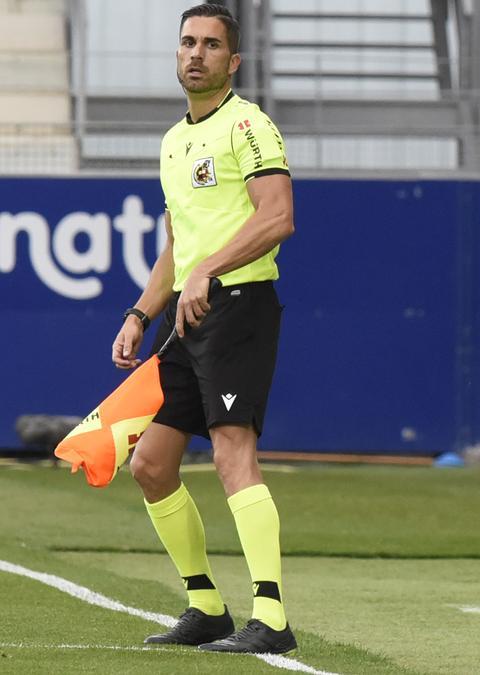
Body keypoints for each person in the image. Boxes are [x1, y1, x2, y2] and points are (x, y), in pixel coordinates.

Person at [110, 3, 297, 655]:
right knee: (152, 464)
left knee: (231, 450)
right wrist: (140, 311)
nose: (196, 53)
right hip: (186, 317)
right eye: (187, 42)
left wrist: (209, 271)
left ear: (233, 61)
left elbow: (278, 217)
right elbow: (177, 245)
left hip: (239, 305)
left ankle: (270, 615)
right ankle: (207, 606)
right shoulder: (172, 141)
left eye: (211, 45)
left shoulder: (249, 125)